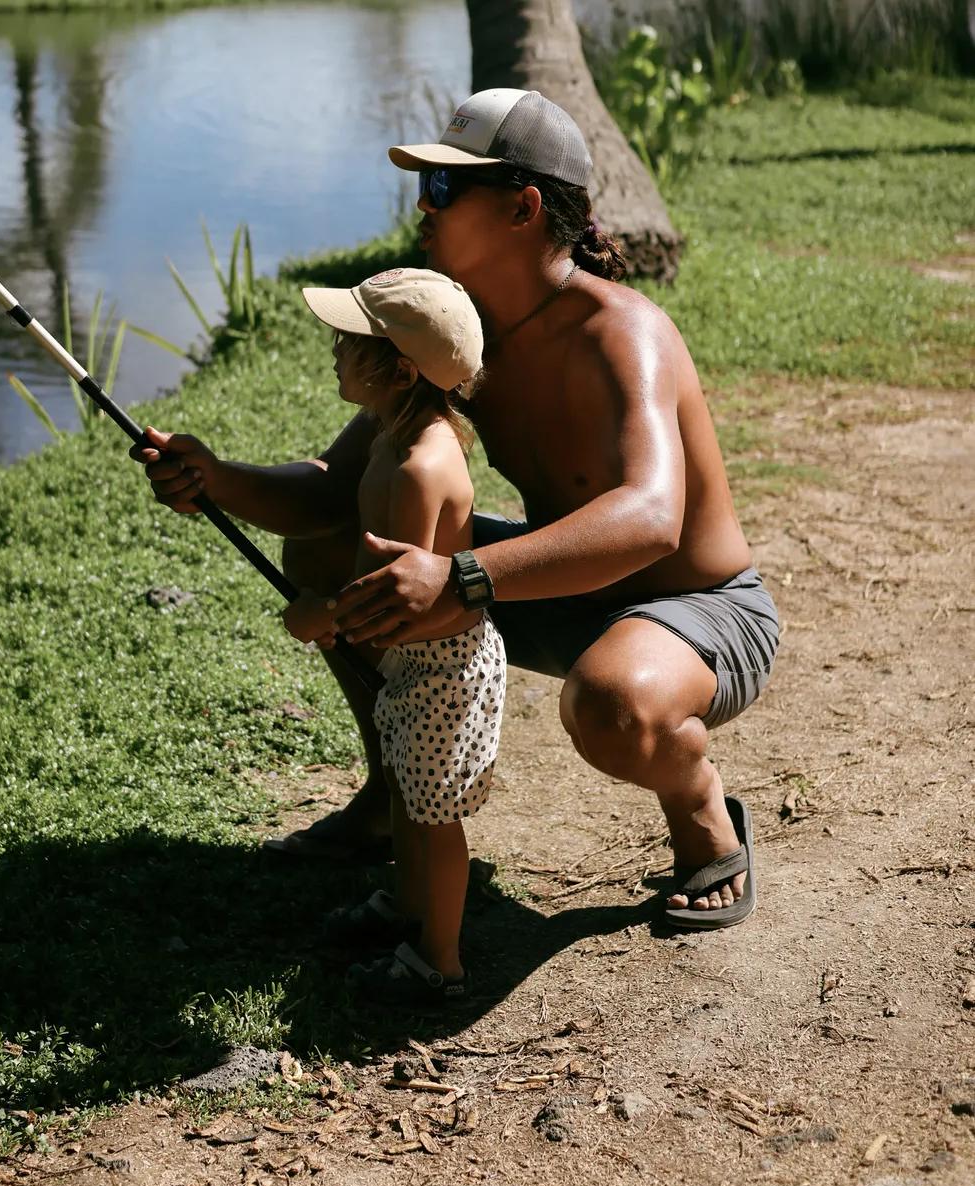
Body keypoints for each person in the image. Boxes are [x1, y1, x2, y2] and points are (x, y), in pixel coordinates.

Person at [137, 87, 778, 933]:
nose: (420, 207)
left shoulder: (621, 332)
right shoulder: (457, 335)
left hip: (698, 609)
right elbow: (334, 487)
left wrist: (463, 578)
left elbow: (650, 516)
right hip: (558, 588)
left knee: (611, 703)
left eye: (442, 189)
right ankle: (392, 795)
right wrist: (215, 477)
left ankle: (700, 815)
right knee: (339, 551)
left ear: (522, 207)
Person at [279, 268, 505, 1003]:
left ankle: (438, 961)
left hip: (441, 666)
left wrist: (321, 614)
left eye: (350, 340)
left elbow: (396, 600)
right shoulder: (388, 433)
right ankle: (409, 905)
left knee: (433, 816)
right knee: (411, 797)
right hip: (417, 666)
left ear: (399, 369)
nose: (333, 349)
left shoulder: (417, 467)